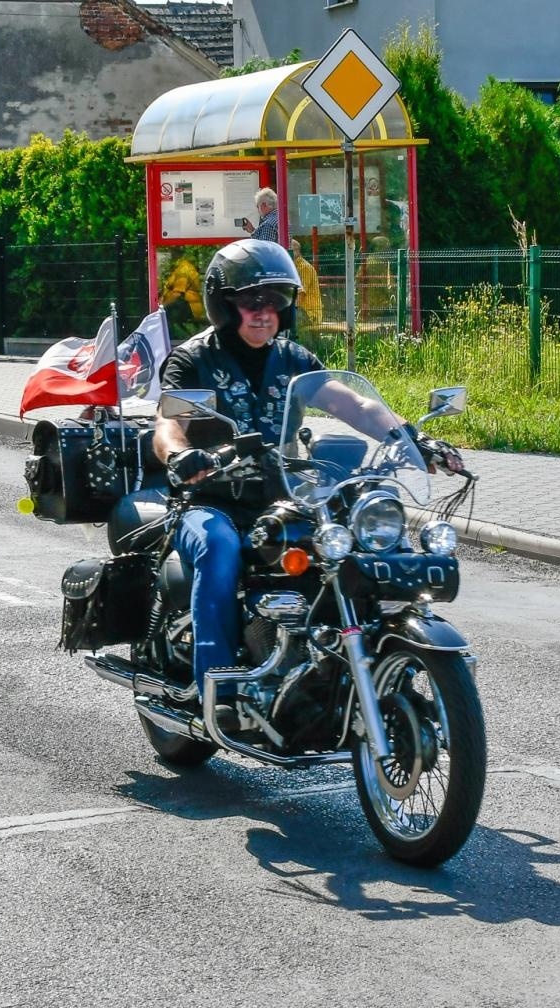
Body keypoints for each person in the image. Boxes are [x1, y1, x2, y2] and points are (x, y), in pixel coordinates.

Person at [153, 239, 408, 721]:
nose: (263, 312)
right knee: (219, 548)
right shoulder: (193, 359)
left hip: (285, 500)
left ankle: (357, 663)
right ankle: (218, 688)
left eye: (275, 301)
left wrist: (410, 437)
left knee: (354, 539)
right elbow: (167, 425)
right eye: (251, 300)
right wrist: (182, 456)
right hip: (211, 501)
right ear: (224, 303)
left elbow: (351, 403)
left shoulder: (294, 359)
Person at [288, 239, 322, 329]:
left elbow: (300, 295)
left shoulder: (303, 267)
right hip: (302, 311)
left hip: (309, 314)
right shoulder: (294, 267)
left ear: (295, 251)